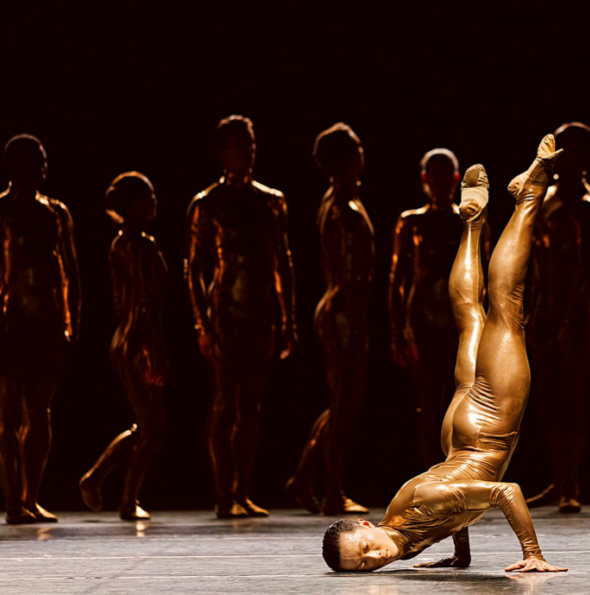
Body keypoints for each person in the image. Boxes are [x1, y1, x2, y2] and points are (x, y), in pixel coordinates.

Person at [322, 135, 566, 573]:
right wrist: (462, 554)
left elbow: (503, 492)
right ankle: (472, 224)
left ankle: (528, 197)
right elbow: (455, 504)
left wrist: (533, 555)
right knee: (471, 319)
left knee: (505, 309)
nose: (376, 556)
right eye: (365, 565)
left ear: (365, 523)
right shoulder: (402, 532)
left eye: (365, 546)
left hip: (484, 431)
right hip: (457, 439)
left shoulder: (414, 515)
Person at [186, 115, 297, 519]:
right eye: (237, 144)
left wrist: (289, 320)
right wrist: (202, 323)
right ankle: (222, 493)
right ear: (221, 151)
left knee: (250, 405)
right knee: (223, 403)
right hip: (224, 314)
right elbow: (194, 268)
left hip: (260, 311)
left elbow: (282, 263)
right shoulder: (207, 203)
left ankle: (242, 490)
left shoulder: (272, 200)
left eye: (249, 143)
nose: (245, 151)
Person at [0, 134, 81, 524]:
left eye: (45, 160)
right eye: (35, 160)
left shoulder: (57, 212)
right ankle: (12, 499)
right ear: (15, 167)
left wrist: (70, 323)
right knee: (7, 412)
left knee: (40, 411)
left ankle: (31, 496)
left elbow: (70, 272)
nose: (43, 167)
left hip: (48, 324)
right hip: (11, 324)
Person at [286, 123, 371, 515]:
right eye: (355, 147)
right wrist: (354, 320)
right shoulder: (342, 208)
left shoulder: (339, 200)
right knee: (345, 403)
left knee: (342, 401)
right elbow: (349, 270)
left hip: (340, 308)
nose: (361, 151)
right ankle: (332, 490)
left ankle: (303, 478)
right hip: (342, 310)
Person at [389, 148, 491, 469]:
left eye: (446, 175)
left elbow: (485, 278)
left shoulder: (471, 222)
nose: (440, 182)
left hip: (460, 326)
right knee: (429, 405)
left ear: (456, 179)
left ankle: (455, 476)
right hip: (421, 324)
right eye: (434, 175)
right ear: (424, 179)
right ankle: (431, 475)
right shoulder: (410, 223)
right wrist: (397, 331)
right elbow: (396, 281)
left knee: (460, 404)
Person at [79, 173, 168, 520]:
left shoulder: (124, 243)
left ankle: (123, 495)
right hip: (138, 341)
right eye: (147, 195)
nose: (154, 199)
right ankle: (103, 483)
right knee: (152, 430)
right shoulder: (139, 245)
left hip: (129, 338)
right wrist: (156, 349)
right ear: (133, 204)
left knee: (149, 428)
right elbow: (146, 302)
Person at [525, 122, 590, 513]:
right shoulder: (548, 197)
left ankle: (571, 480)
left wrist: (571, 321)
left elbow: (587, 271)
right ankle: (559, 478)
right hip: (545, 309)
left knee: (572, 397)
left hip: (576, 310)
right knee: (548, 396)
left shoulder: (587, 206)